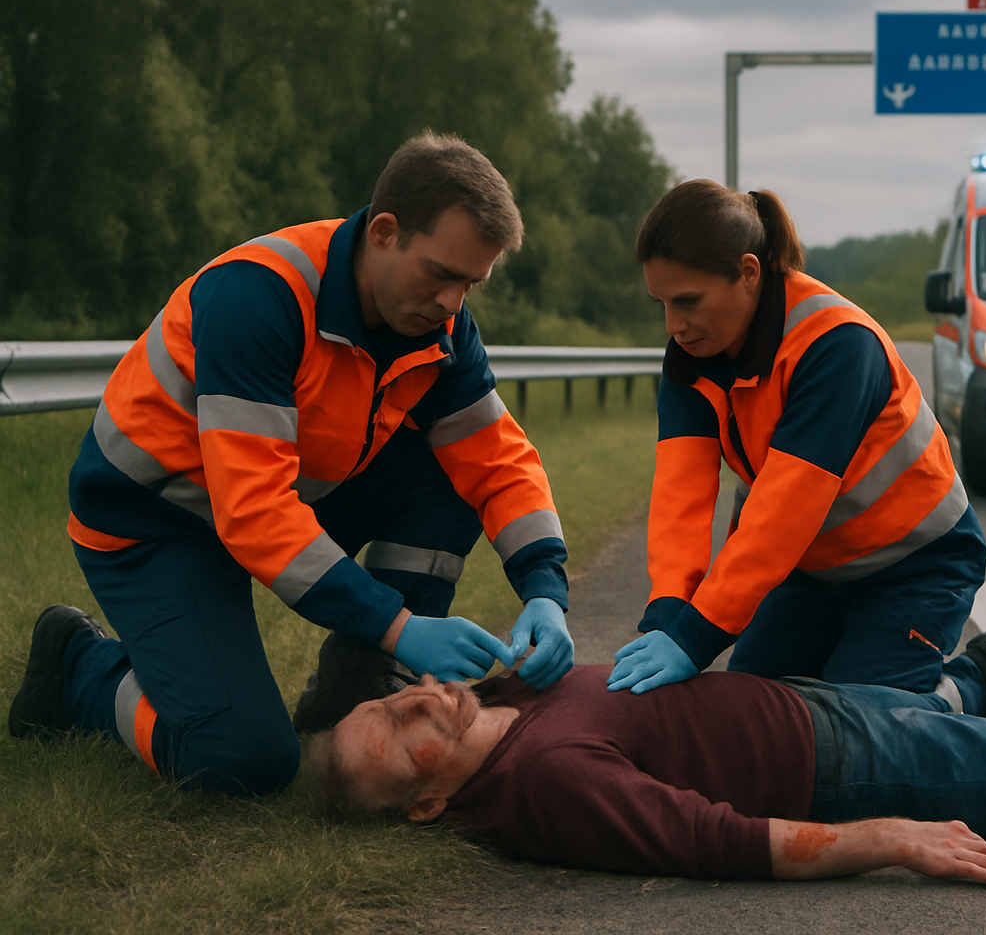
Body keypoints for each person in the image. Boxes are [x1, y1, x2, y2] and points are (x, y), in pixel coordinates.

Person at [6, 133, 575, 795]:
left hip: (285, 494)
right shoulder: (258, 296)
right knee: (239, 759)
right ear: (385, 232)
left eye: (470, 284)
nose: (453, 303)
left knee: (449, 464)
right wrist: (400, 626)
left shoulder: (437, 326)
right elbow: (255, 511)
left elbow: (497, 459)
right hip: (154, 522)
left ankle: (360, 681)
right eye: (441, 274)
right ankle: (79, 667)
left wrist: (544, 589)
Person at [306, 661, 986, 883]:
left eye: (385, 699)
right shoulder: (547, 779)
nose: (412, 701)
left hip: (816, 709)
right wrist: (881, 838)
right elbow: (709, 839)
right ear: (428, 803)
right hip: (839, 768)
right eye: (397, 734)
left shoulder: (506, 701)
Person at [609, 179, 986, 722]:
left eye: (688, 301)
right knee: (753, 720)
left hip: (914, 562)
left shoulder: (837, 344)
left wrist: (695, 638)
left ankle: (974, 685)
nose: (673, 326)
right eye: (661, 303)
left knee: (858, 728)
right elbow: (681, 499)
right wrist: (667, 618)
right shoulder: (692, 355)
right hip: (810, 569)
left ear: (748, 273)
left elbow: (783, 511)